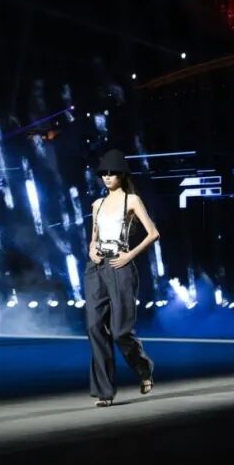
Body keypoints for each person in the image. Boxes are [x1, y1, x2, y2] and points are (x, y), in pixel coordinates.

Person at [86, 148, 159, 406]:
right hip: (96, 268)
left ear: (122, 175)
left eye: (112, 173)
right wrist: (92, 250)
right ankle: (104, 392)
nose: (107, 177)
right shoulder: (97, 204)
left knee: (120, 331)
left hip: (121, 266)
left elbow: (153, 233)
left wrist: (130, 256)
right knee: (94, 327)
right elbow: (93, 238)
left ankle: (143, 368)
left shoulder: (132, 200)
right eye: (103, 173)